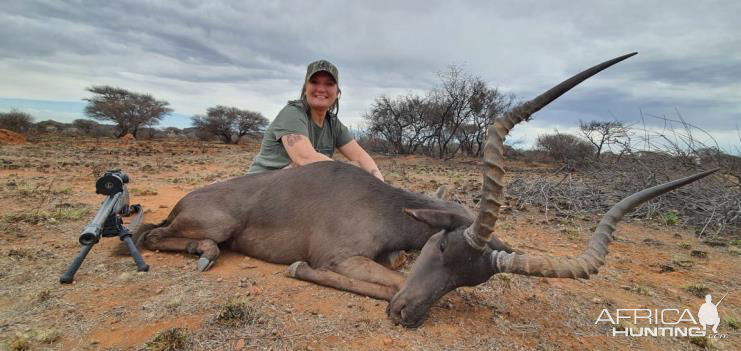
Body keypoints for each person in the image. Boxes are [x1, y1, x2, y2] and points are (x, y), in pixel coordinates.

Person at [247, 59, 384, 181]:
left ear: (337, 93)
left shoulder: (333, 123)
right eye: (314, 82)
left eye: (329, 84)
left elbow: (360, 156)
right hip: (258, 191)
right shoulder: (292, 113)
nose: (321, 89)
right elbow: (304, 158)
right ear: (305, 89)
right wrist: (350, 174)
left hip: (294, 189)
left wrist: (379, 185)